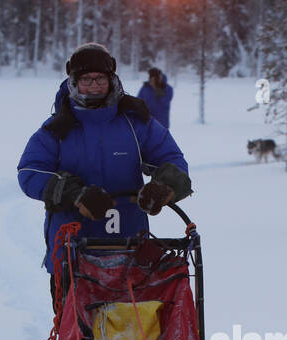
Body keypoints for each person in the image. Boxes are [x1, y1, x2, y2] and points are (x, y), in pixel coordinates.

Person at [17, 44, 191, 292]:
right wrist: (74, 194)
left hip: (130, 249)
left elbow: (173, 160)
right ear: (73, 82)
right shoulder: (57, 128)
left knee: (132, 327)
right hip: (72, 252)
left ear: (112, 79)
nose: (94, 85)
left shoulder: (136, 122)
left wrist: (163, 188)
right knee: (77, 329)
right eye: (86, 79)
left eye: (100, 78)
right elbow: (30, 172)